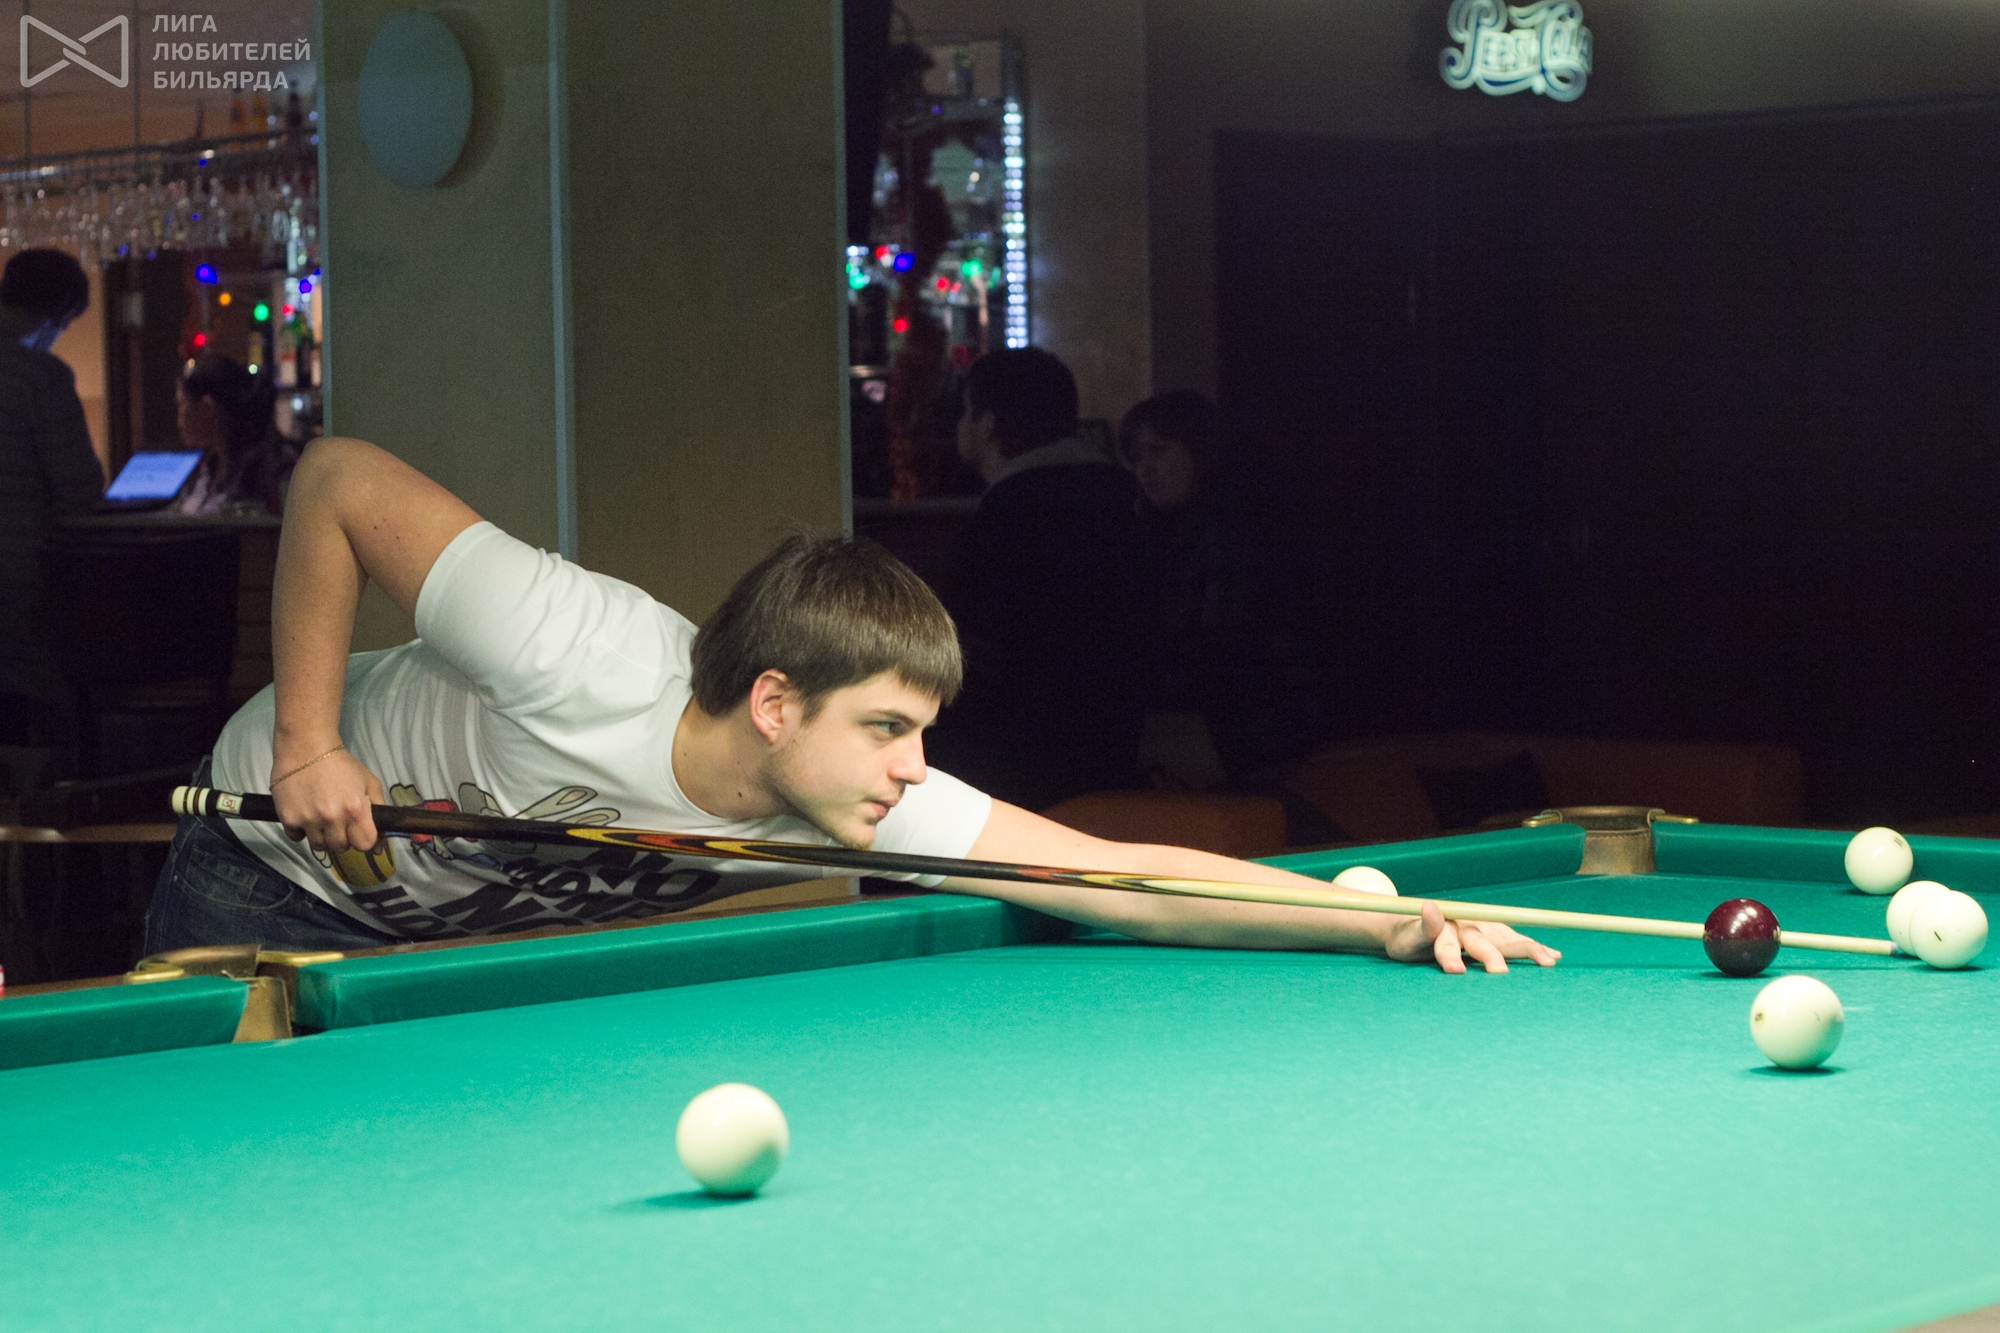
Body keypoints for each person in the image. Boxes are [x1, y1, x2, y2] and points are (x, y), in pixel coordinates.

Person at [144, 436, 1557, 975]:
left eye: (918, 731)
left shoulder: (859, 792)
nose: (914, 766)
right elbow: (336, 481)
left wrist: (1377, 921)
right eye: (887, 728)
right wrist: (311, 743)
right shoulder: (568, 646)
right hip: (273, 868)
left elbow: (1113, 875)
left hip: (460, 930)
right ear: (774, 701)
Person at [922, 347, 1154, 810]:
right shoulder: (1127, 500)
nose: (960, 426)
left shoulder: (999, 522)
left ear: (987, 425)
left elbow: (970, 662)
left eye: (966, 413)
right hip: (1118, 745)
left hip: (1018, 766)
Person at [1120, 390, 1330, 791]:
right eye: (1136, 457)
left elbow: (1220, 652)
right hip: (1230, 729)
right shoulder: (1163, 535)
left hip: (1250, 735)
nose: (1145, 468)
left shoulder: (1235, 539)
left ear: (1200, 452)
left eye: (1158, 450)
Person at [0, 248, 103, 736]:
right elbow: (80, 490)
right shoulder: (40, 378)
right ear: (57, 316)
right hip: (20, 581)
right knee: (33, 714)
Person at [169, 352, 297, 517]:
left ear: (207, 407)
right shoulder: (211, 464)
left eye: (181, 404)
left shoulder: (271, 468)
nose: (178, 418)